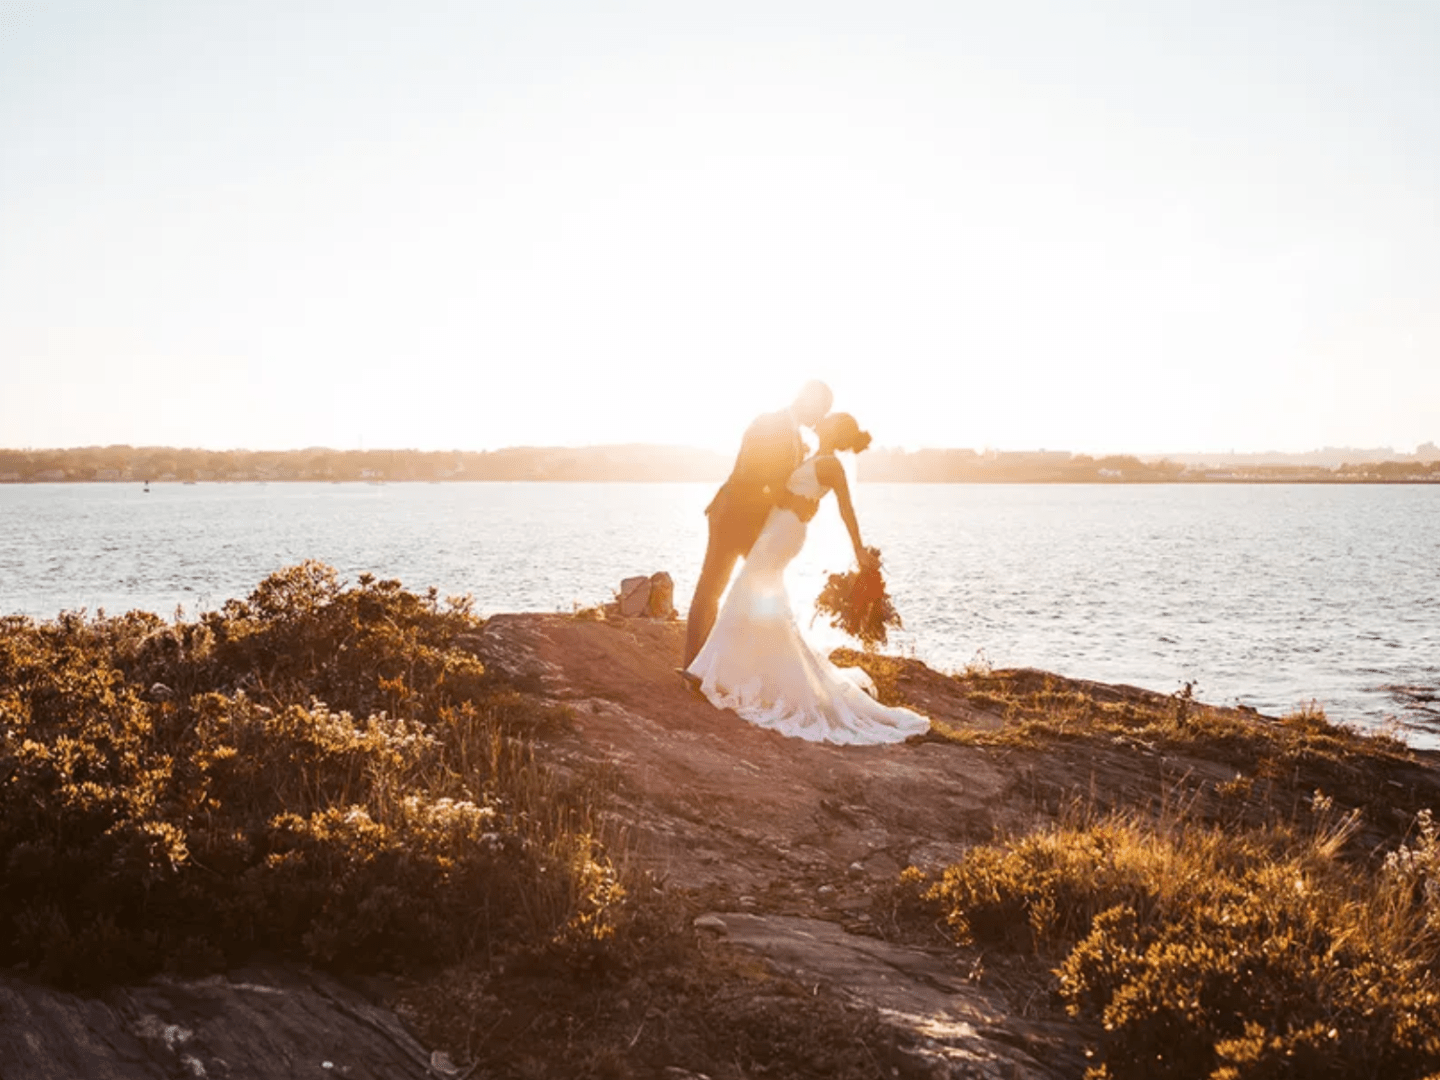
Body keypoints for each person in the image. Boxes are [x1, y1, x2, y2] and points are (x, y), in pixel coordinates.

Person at [684, 413, 930, 745]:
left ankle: (715, 673)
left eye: (828, 421)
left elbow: (846, 509)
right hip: (775, 527)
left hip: (785, 532)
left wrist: (858, 549)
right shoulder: (810, 455)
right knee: (757, 598)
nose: (820, 422)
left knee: (745, 591)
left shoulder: (831, 465)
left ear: (834, 431)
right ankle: (734, 672)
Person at [682, 380, 834, 670]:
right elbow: (754, 474)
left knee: (761, 591)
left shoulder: (793, 434)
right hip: (732, 516)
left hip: (753, 523)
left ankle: (733, 667)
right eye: (822, 409)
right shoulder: (770, 423)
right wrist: (792, 500)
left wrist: (803, 501)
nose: (821, 418)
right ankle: (694, 667)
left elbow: (781, 479)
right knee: (714, 589)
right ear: (808, 400)